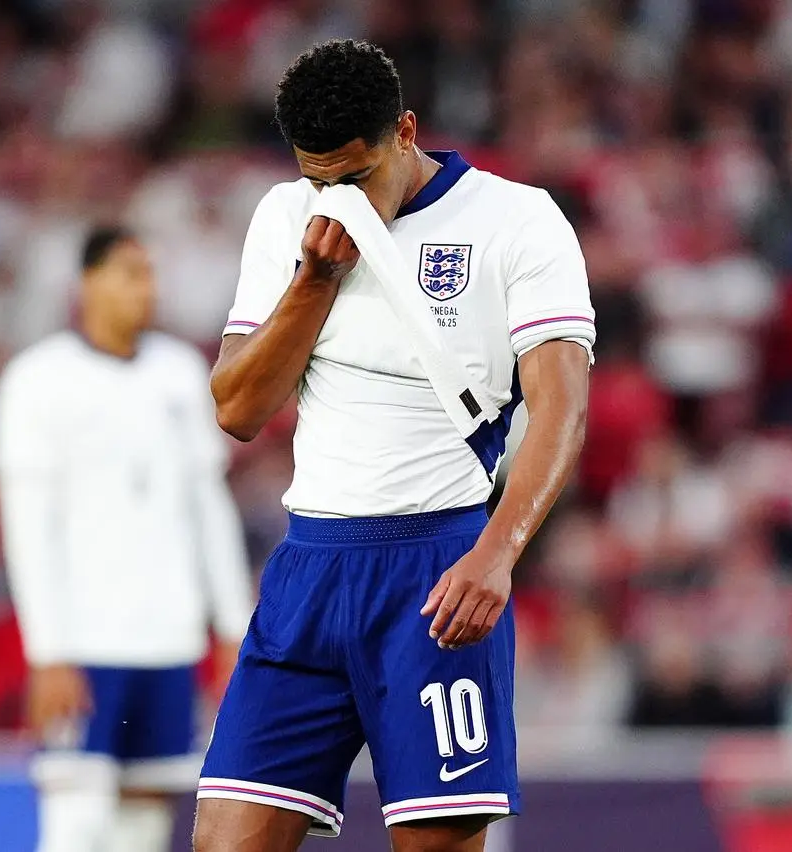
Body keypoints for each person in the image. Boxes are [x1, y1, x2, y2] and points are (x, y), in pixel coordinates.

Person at [195, 40, 595, 852]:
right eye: (317, 180)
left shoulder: (514, 221)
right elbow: (237, 407)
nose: (335, 201)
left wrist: (498, 551)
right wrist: (313, 279)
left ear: (405, 132)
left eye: (353, 179)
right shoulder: (283, 219)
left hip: (434, 568)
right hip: (307, 570)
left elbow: (560, 409)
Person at [0, 225, 254, 852]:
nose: (147, 289)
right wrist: (47, 650)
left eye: (151, 274)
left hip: (167, 636)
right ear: (88, 284)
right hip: (84, 639)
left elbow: (207, 506)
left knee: (143, 816)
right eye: (130, 274)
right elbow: (28, 523)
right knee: (76, 816)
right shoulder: (38, 379)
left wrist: (233, 625)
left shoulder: (179, 372)